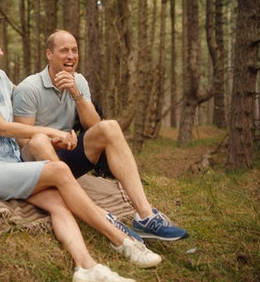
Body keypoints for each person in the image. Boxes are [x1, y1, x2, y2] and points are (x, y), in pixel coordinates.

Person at [0, 22, 162, 282]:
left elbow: (25, 96)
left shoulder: (0, 78)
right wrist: (52, 133)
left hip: (13, 163)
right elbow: (1, 127)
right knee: (58, 170)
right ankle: (121, 239)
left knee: (58, 202)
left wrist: (64, 122)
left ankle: (87, 267)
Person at [12, 29, 188, 241]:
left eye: (74, 51)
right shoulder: (29, 88)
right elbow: (22, 139)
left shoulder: (80, 82)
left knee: (110, 127)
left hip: (66, 156)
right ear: (49, 54)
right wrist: (54, 140)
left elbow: (94, 126)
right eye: (64, 51)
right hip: (37, 163)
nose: (71, 56)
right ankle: (99, 215)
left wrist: (76, 95)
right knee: (39, 141)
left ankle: (145, 215)